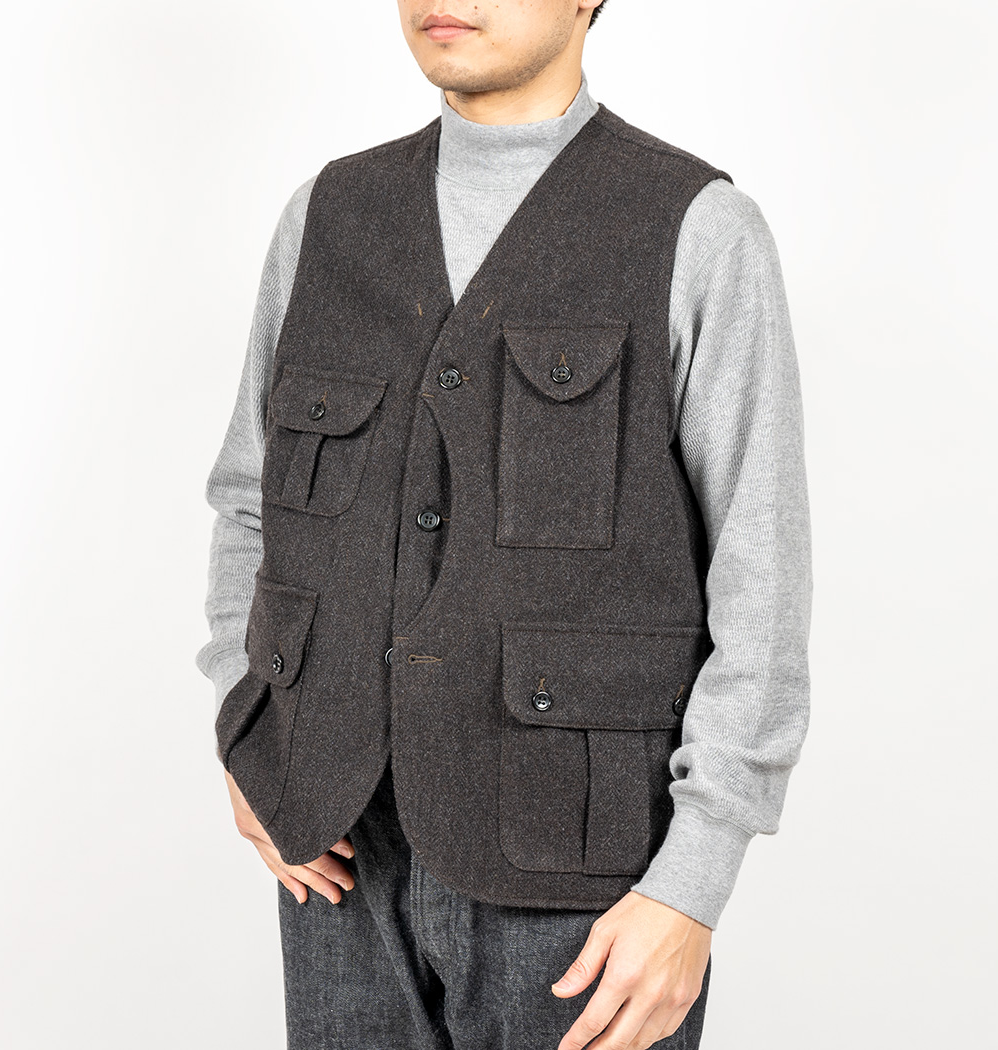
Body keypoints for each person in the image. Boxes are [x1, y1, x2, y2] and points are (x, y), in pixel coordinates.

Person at [195, 2, 812, 1048]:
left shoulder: (699, 228)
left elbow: (763, 579)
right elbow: (253, 501)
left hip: (591, 887)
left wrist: (693, 887)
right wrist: (248, 730)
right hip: (341, 854)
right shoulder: (326, 217)